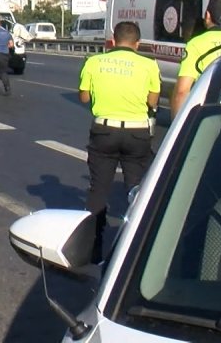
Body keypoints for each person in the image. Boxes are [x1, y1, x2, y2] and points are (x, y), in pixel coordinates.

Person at [78, 20, 161, 263]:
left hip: (104, 131)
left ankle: (93, 249)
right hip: (137, 134)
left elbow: (84, 97)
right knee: (137, 191)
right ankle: (136, 249)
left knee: (98, 189)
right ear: (137, 44)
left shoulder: (93, 62)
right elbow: (153, 102)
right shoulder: (148, 64)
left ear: (113, 41)